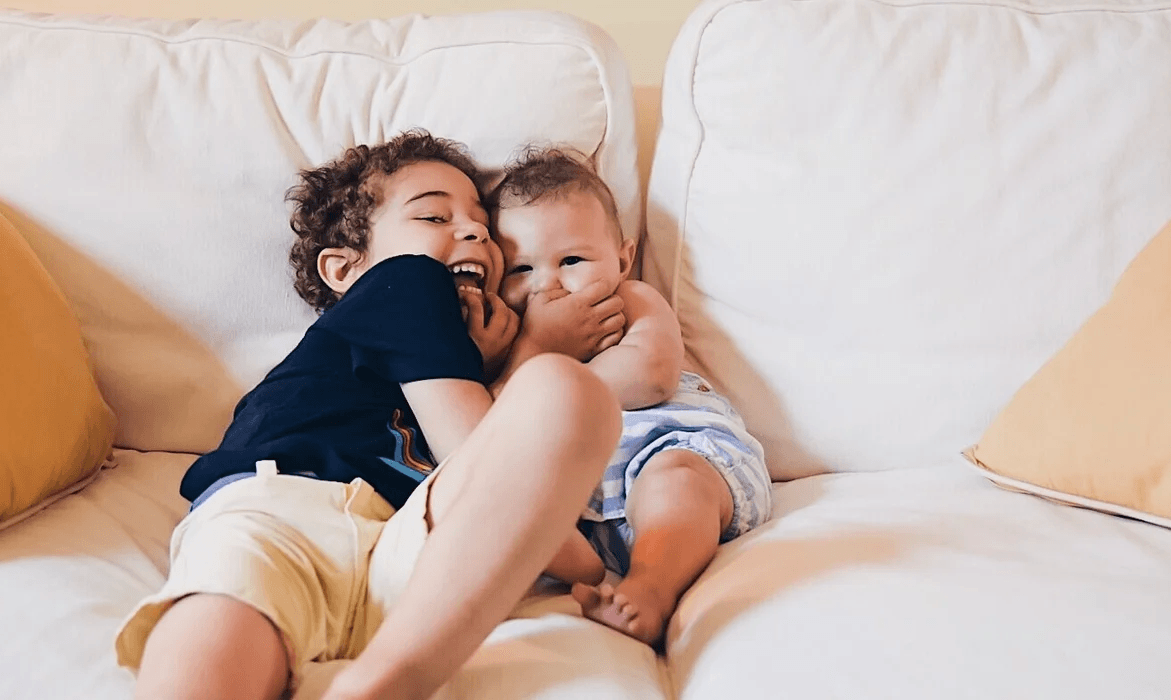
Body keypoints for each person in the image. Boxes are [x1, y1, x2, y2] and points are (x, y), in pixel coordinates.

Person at [113, 130, 627, 700]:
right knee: (225, 616)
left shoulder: (472, 365)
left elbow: (500, 484)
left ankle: (384, 681)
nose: (475, 230)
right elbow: (476, 449)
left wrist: (511, 368)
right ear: (344, 269)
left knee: (569, 393)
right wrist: (536, 352)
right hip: (286, 511)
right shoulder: (405, 282)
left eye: (483, 221)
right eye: (433, 216)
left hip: (410, 542)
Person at [487, 148, 774, 647]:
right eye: (521, 269)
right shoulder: (510, 336)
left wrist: (548, 384)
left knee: (674, 485)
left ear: (621, 258)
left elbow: (653, 374)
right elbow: (489, 420)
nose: (548, 284)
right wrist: (535, 349)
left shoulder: (629, 299)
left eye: (572, 260)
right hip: (586, 517)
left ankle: (651, 591)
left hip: (676, 452)